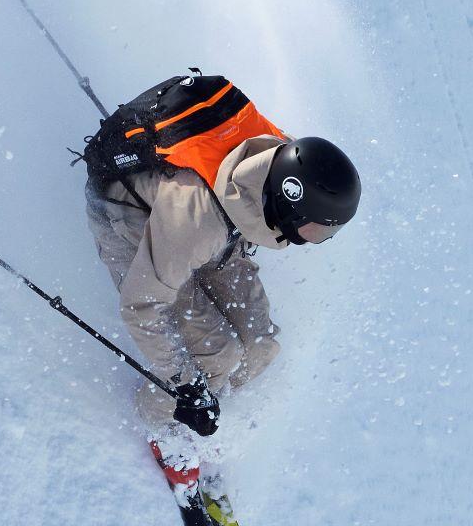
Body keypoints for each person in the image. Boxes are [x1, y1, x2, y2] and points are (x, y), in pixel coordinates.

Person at [81, 72, 361, 437]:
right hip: (127, 218)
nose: (312, 239)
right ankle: (159, 431)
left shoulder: (279, 160)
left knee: (260, 346)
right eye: (316, 229)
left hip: (216, 234)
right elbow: (142, 305)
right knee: (216, 357)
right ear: (289, 204)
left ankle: (210, 404)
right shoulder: (197, 221)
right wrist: (187, 387)